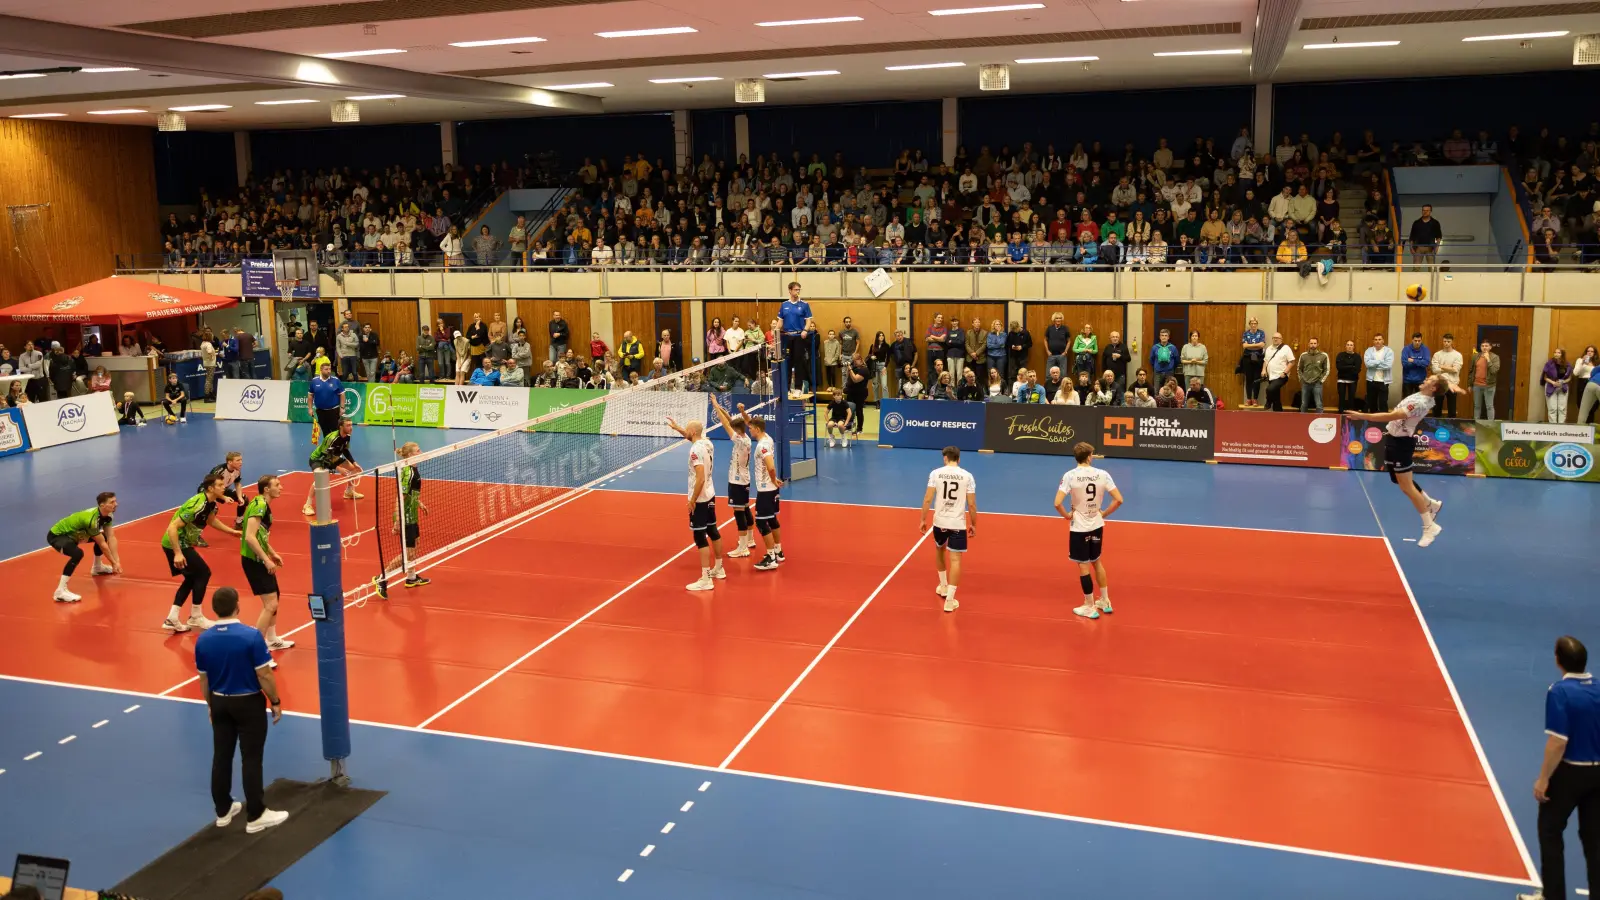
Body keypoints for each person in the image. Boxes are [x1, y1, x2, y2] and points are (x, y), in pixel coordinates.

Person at [195, 586, 288, 836]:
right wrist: (275, 701)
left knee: (221, 756)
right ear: (237, 606)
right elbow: (264, 674)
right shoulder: (250, 636)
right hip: (248, 704)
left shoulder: (203, 639)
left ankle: (223, 811)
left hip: (219, 703)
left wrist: (210, 705)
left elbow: (204, 680)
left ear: (214, 609)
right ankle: (256, 815)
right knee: (251, 757)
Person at [1519, 635, 1600, 900]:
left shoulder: (1560, 691)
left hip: (1569, 774)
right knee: (1595, 839)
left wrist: (1543, 779)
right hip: (1598, 774)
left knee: (1550, 831)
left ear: (1558, 661)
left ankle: (1553, 896)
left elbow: (1557, 742)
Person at [1347, 374, 1466, 548]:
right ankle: (1431, 504)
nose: (1425, 379)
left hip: (1401, 444)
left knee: (1407, 487)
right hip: (1393, 440)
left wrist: (1363, 415)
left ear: (1433, 388)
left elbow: (1392, 415)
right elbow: (1443, 381)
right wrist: (1452, 384)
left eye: (1429, 380)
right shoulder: (1427, 394)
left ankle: (1429, 526)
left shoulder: (1419, 403)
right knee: (1398, 479)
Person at [162, 473, 241, 633]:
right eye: (220, 485)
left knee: (192, 578)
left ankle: (172, 618)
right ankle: (195, 616)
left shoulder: (211, 504)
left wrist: (231, 532)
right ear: (211, 488)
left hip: (184, 543)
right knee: (203, 573)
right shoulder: (197, 504)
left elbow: (211, 520)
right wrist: (177, 553)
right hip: (175, 543)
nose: (224, 487)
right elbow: (172, 527)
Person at [1054, 441, 1123, 621]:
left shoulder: (1070, 476)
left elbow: (1057, 503)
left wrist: (1067, 516)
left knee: (1083, 565)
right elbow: (1119, 499)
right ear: (1089, 457)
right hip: (1097, 525)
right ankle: (1105, 601)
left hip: (1079, 527)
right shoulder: (1102, 474)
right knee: (1097, 562)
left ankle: (1089, 605)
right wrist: (1104, 513)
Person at [665, 417, 726, 591]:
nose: (685, 432)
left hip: (699, 498)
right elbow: (690, 435)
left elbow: (700, 477)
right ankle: (719, 568)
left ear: (692, 433)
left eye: (686, 430)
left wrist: (692, 500)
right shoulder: (707, 444)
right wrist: (677, 428)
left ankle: (706, 578)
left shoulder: (695, 450)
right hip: (710, 494)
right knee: (712, 530)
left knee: (700, 537)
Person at [920, 446, 977, 614]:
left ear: (945, 458)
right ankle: (950, 601)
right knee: (956, 561)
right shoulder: (967, 476)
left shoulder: (935, 473)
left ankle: (943, 586)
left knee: (939, 550)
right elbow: (972, 504)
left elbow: (928, 498)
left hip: (940, 522)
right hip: (958, 524)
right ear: (958, 459)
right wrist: (974, 524)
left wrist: (923, 519)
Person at [240, 475, 294, 651]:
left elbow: (259, 535)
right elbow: (249, 537)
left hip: (260, 557)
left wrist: (272, 553)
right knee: (270, 604)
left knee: (274, 599)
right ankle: (257, 647)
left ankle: (271, 639)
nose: (281, 488)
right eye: (277, 485)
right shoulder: (260, 506)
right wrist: (265, 560)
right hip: (254, 560)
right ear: (266, 489)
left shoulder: (260, 503)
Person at [373, 443, 432, 599]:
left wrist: (419, 503)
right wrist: (397, 520)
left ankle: (411, 578)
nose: (421, 451)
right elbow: (400, 497)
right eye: (418, 450)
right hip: (405, 517)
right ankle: (382, 578)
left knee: (416, 544)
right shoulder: (408, 472)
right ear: (410, 454)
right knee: (408, 553)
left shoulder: (413, 468)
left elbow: (411, 493)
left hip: (412, 514)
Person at [45, 492, 121, 603]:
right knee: (77, 553)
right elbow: (102, 545)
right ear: (102, 505)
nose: (116, 504)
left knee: (104, 536)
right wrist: (113, 563)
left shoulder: (108, 515)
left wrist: (117, 561)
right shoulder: (91, 520)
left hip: (77, 535)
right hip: (59, 535)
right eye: (112, 502)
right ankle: (60, 591)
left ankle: (97, 567)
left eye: (115, 501)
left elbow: (111, 537)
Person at [710, 400, 759, 559]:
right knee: (745, 508)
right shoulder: (744, 437)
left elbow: (726, 425)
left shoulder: (738, 439)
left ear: (736, 430)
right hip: (745, 478)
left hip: (737, 480)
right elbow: (730, 421)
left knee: (739, 512)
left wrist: (716, 408)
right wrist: (721, 409)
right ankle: (750, 540)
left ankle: (743, 547)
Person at [303, 418, 363, 517]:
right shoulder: (332, 438)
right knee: (319, 480)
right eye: (348, 425)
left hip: (333, 457)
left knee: (354, 469)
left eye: (351, 425)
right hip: (319, 459)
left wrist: (354, 462)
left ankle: (348, 492)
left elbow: (345, 450)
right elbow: (325, 457)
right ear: (341, 427)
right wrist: (339, 469)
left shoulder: (347, 436)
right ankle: (307, 505)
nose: (351, 427)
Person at [748, 414, 786, 571]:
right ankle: (778, 551)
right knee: (772, 520)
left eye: (750, 428)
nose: (749, 431)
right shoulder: (768, 438)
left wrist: (773, 479)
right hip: (771, 489)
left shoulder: (762, 446)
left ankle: (770, 557)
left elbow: (770, 466)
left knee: (762, 522)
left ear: (757, 429)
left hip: (765, 489)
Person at [779, 282, 815, 396]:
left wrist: (805, 330)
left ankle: (798, 388)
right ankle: (787, 388)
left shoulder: (804, 304)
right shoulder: (784, 305)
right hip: (787, 337)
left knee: (799, 363)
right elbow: (780, 321)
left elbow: (809, 320)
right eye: (795, 289)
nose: (798, 292)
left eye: (799, 290)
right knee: (787, 363)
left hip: (799, 336)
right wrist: (775, 332)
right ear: (790, 290)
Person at [202, 451, 248, 526]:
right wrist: (224, 497)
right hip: (208, 491)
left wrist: (239, 497)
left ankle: (239, 522)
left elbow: (237, 483)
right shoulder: (219, 471)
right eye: (238, 460)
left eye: (241, 460)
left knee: (244, 499)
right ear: (230, 462)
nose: (241, 462)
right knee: (211, 511)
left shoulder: (237, 470)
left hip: (221, 490)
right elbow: (212, 488)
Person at [307, 361, 343, 441]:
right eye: (326, 369)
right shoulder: (314, 381)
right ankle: (327, 448)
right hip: (320, 411)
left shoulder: (336, 380)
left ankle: (337, 449)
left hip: (334, 410)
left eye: (329, 369)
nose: (329, 371)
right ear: (321, 370)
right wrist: (310, 408)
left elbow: (342, 394)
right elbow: (310, 395)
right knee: (325, 431)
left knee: (335, 431)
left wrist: (342, 407)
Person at [1431, 333, 1464, 418]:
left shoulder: (1457, 355)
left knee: (1452, 410)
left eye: (1448, 341)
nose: (1446, 343)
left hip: (1452, 384)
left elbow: (1456, 369)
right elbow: (1435, 370)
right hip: (1439, 384)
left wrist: (1441, 366)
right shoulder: (1437, 354)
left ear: (1452, 342)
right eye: (1444, 341)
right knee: (1437, 409)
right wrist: (1449, 368)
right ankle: (1436, 428)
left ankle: (1452, 429)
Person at [1261, 332, 1295, 411]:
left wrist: (1285, 372)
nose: (1275, 339)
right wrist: (1263, 370)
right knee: (1276, 397)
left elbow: (1292, 361)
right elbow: (1265, 361)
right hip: (1271, 376)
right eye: (1274, 338)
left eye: (1277, 338)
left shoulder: (1286, 348)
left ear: (1281, 339)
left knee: (1270, 389)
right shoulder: (1269, 348)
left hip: (1281, 376)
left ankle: (1268, 402)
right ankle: (1279, 413)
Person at [1363, 333, 1394, 413]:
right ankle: (1373, 421)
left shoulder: (1389, 351)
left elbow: (1388, 365)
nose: (1378, 341)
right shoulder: (1369, 351)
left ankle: (1383, 422)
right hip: (1371, 380)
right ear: (1373, 341)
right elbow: (1367, 364)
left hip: (1384, 381)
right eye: (1376, 340)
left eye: (1379, 339)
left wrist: (1374, 363)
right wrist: (1380, 361)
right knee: (1372, 403)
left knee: (1383, 403)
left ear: (1383, 341)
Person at [1297, 338, 1329, 412]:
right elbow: (1299, 368)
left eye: (1314, 343)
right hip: (1305, 383)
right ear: (1308, 344)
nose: (1313, 345)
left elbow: (1326, 369)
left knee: (1319, 404)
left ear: (1318, 344)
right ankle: (1302, 421)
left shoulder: (1323, 355)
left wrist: (1321, 381)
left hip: (1317, 383)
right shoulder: (1303, 355)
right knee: (1304, 404)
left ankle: (1320, 421)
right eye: (1311, 343)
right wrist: (1301, 379)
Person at [1240, 318, 1267, 407]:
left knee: (1256, 379)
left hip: (1258, 359)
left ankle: (1255, 399)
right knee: (1249, 379)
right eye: (1252, 323)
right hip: (1247, 358)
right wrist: (1256, 346)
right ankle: (1248, 399)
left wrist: (1250, 346)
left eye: (1255, 323)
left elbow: (1262, 345)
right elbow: (1244, 346)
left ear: (1257, 324)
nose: (1253, 325)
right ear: (1250, 324)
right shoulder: (1246, 333)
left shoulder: (1261, 333)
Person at [1472, 340, 1501, 420]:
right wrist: (1469, 384)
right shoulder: (1476, 356)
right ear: (1481, 347)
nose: (1484, 347)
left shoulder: (1495, 357)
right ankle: (1476, 422)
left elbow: (1494, 371)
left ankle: (1491, 424)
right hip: (1477, 385)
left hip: (1489, 386)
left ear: (1490, 347)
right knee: (1477, 406)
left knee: (1489, 406)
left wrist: (1488, 359)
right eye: (1482, 346)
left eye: (1486, 346)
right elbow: (1472, 371)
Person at [1545, 348, 1574, 423]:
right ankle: (1553, 428)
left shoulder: (1567, 365)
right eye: (1555, 352)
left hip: (1562, 387)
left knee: (1562, 409)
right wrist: (1553, 382)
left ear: (1562, 355)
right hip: (1551, 386)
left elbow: (1569, 377)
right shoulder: (1549, 363)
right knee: (1552, 409)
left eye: (1559, 353)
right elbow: (1545, 377)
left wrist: (1563, 381)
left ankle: (1561, 427)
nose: (1556, 354)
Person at [1400, 332, 1432, 398]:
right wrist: (1420, 362)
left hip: (1421, 380)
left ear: (1421, 340)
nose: (1417, 342)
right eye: (1415, 341)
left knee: (1420, 402)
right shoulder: (1406, 349)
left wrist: (1413, 360)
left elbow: (1426, 363)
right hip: (1408, 380)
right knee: (1407, 402)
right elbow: (1405, 364)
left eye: (1419, 341)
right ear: (1412, 340)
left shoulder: (1425, 349)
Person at [1335, 339, 1362, 413]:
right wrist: (1351, 366)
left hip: (1353, 380)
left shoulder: (1357, 356)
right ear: (1345, 346)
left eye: (1351, 345)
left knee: (1351, 397)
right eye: (1348, 345)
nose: (1349, 346)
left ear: (1354, 347)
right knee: (1341, 397)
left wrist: (1346, 367)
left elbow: (1357, 369)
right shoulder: (1340, 355)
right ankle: (1340, 412)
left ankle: (1350, 412)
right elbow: (1339, 367)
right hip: (1341, 379)